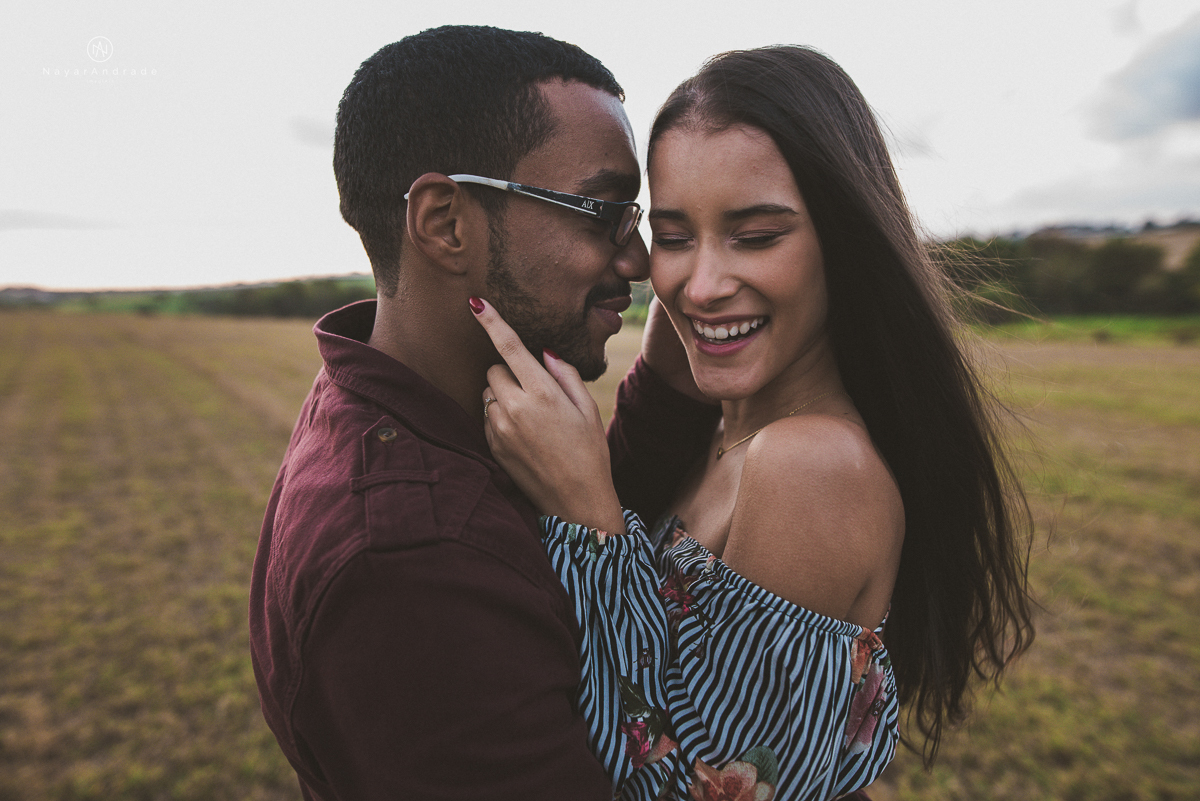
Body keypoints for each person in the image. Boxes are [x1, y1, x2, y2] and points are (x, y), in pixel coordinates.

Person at [470, 46, 1036, 800]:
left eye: (757, 235)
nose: (699, 286)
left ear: (844, 239)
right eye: (673, 237)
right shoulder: (725, 428)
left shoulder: (811, 467)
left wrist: (588, 515)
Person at [247, 26, 714, 800]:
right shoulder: (412, 568)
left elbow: (539, 556)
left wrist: (674, 368)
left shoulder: (412, 397)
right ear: (445, 223)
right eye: (600, 212)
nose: (636, 262)